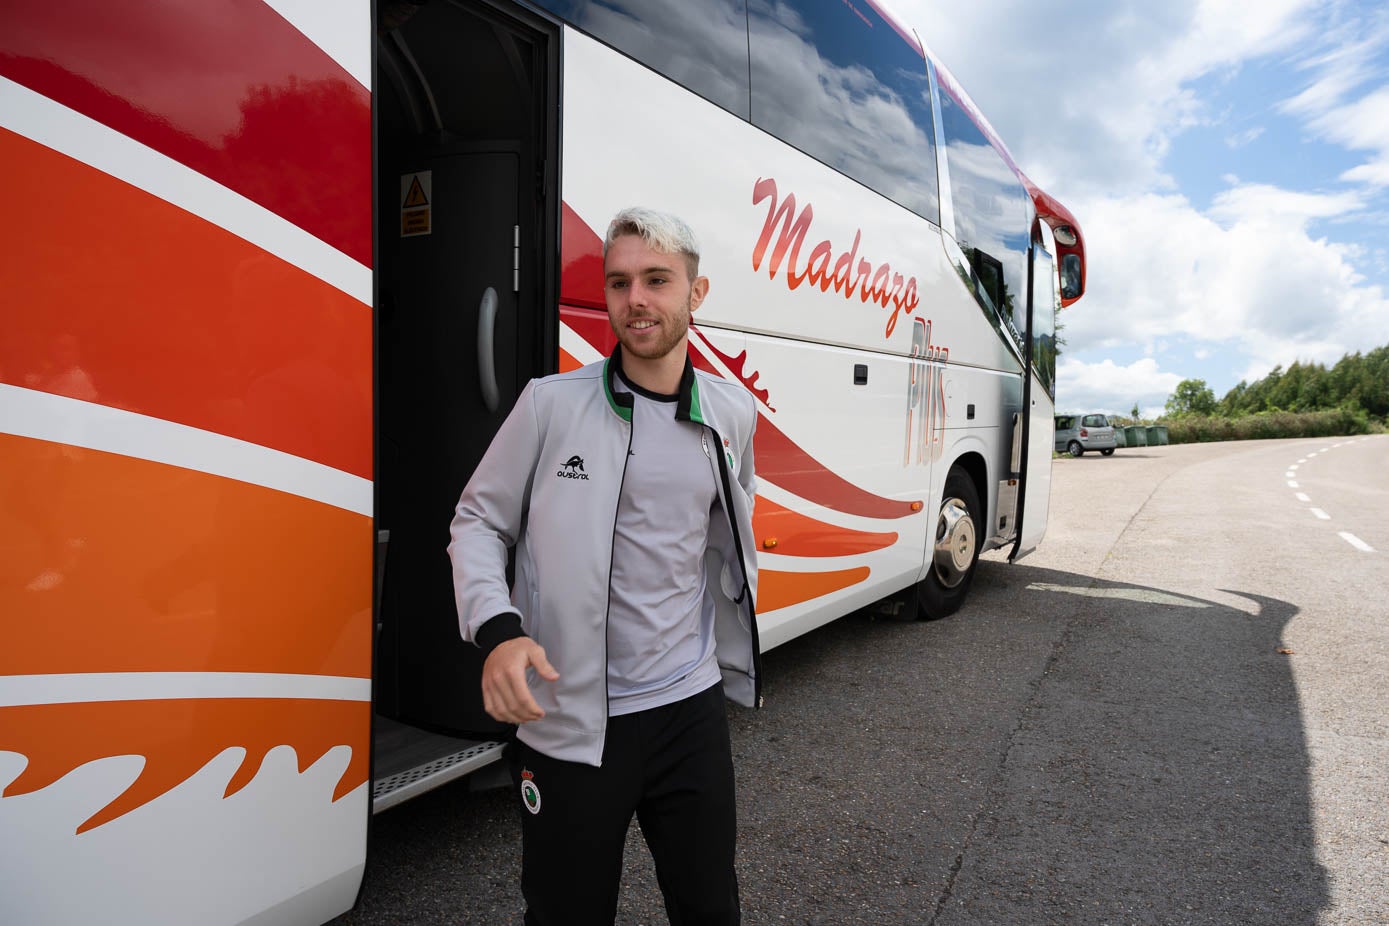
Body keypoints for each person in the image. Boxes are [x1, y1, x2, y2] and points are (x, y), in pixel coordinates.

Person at [449, 206, 760, 925]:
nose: (635, 301)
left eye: (657, 280)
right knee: (566, 913)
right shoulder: (549, 406)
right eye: (618, 283)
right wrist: (497, 632)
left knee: (710, 905)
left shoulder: (729, 413)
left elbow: (720, 541)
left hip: (688, 705)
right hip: (572, 720)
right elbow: (477, 520)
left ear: (696, 292)